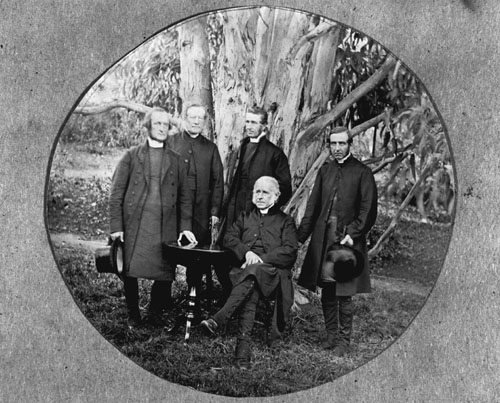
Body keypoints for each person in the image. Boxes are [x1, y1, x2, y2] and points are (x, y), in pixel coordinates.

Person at [109, 107, 197, 327]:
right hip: (136, 223)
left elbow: (186, 197)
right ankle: (133, 314)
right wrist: (116, 227)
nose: (161, 128)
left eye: (165, 125)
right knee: (130, 269)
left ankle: (155, 312)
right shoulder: (131, 156)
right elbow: (116, 193)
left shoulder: (176, 160)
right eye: (157, 123)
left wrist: (185, 227)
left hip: (165, 225)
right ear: (148, 126)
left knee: (163, 271)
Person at [201, 176, 298, 369]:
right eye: (257, 191)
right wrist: (247, 252)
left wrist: (261, 260)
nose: (260, 196)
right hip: (246, 274)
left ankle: (219, 319)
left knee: (253, 274)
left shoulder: (285, 221)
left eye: (265, 192)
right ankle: (241, 359)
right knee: (251, 289)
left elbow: (290, 250)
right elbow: (229, 238)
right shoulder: (245, 216)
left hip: (273, 274)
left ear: (276, 196)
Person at [297, 127, 378, 356]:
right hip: (324, 237)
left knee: (344, 291)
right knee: (328, 289)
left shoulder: (362, 172)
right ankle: (331, 335)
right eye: (333, 144)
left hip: (348, 239)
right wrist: (300, 237)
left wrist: (353, 233)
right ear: (329, 145)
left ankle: (344, 341)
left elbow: (368, 209)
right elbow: (312, 207)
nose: (337, 148)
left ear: (350, 144)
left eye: (342, 143)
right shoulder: (325, 170)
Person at [167, 103, 228, 308]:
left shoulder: (210, 149)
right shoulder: (171, 142)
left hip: (201, 213)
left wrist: (214, 212)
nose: (195, 121)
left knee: (198, 256)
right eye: (192, 117)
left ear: (204, 122)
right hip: (174, 211)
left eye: (200, 118)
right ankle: (161, 299)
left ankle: (194, 297)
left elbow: (218, 182)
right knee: (169, 252)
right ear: (184, 118)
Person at [224, 106, 292, 228]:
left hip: (257, 217)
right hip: (234, 212)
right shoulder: (239, 149)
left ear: (264, 125)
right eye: (247, 122)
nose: (249, 126)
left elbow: (285, 189)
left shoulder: (275, 154)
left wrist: (266, 209)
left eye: (254, 123)